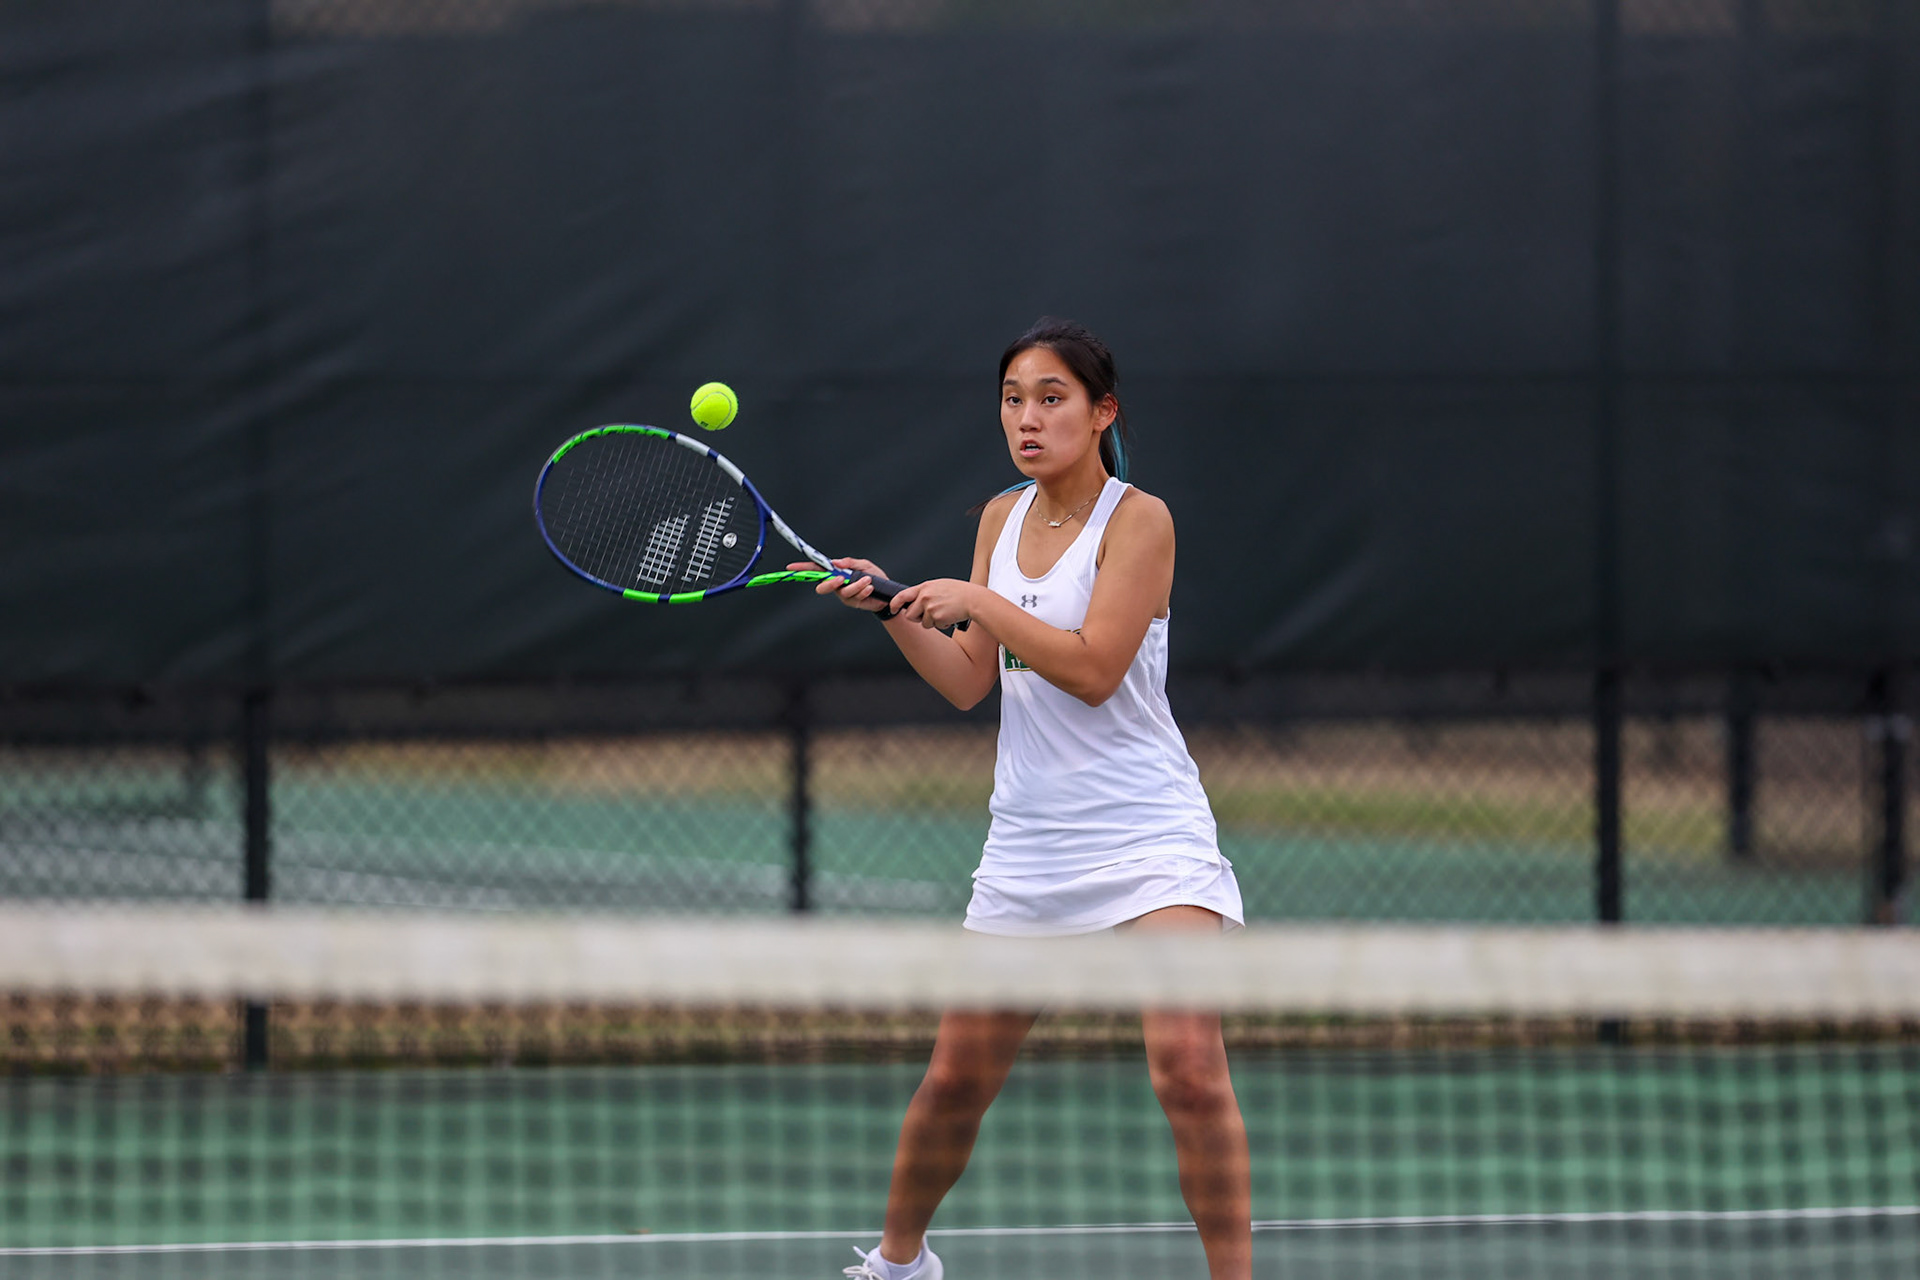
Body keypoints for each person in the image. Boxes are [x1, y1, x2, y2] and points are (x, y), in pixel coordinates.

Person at [795, 318, 1252, 1280]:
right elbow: (971, 680)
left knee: (1190, 1073)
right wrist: (892, 610)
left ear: (1102, 413)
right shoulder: (999, 520)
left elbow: (1091, 669)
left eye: (1051, 399)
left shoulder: (1141, 521)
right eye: (1013, 398)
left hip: (1148, 834)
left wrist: (984, 604)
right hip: (1030, 847)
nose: (1028, 418)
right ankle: (898, 1266)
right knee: (956, 1081)